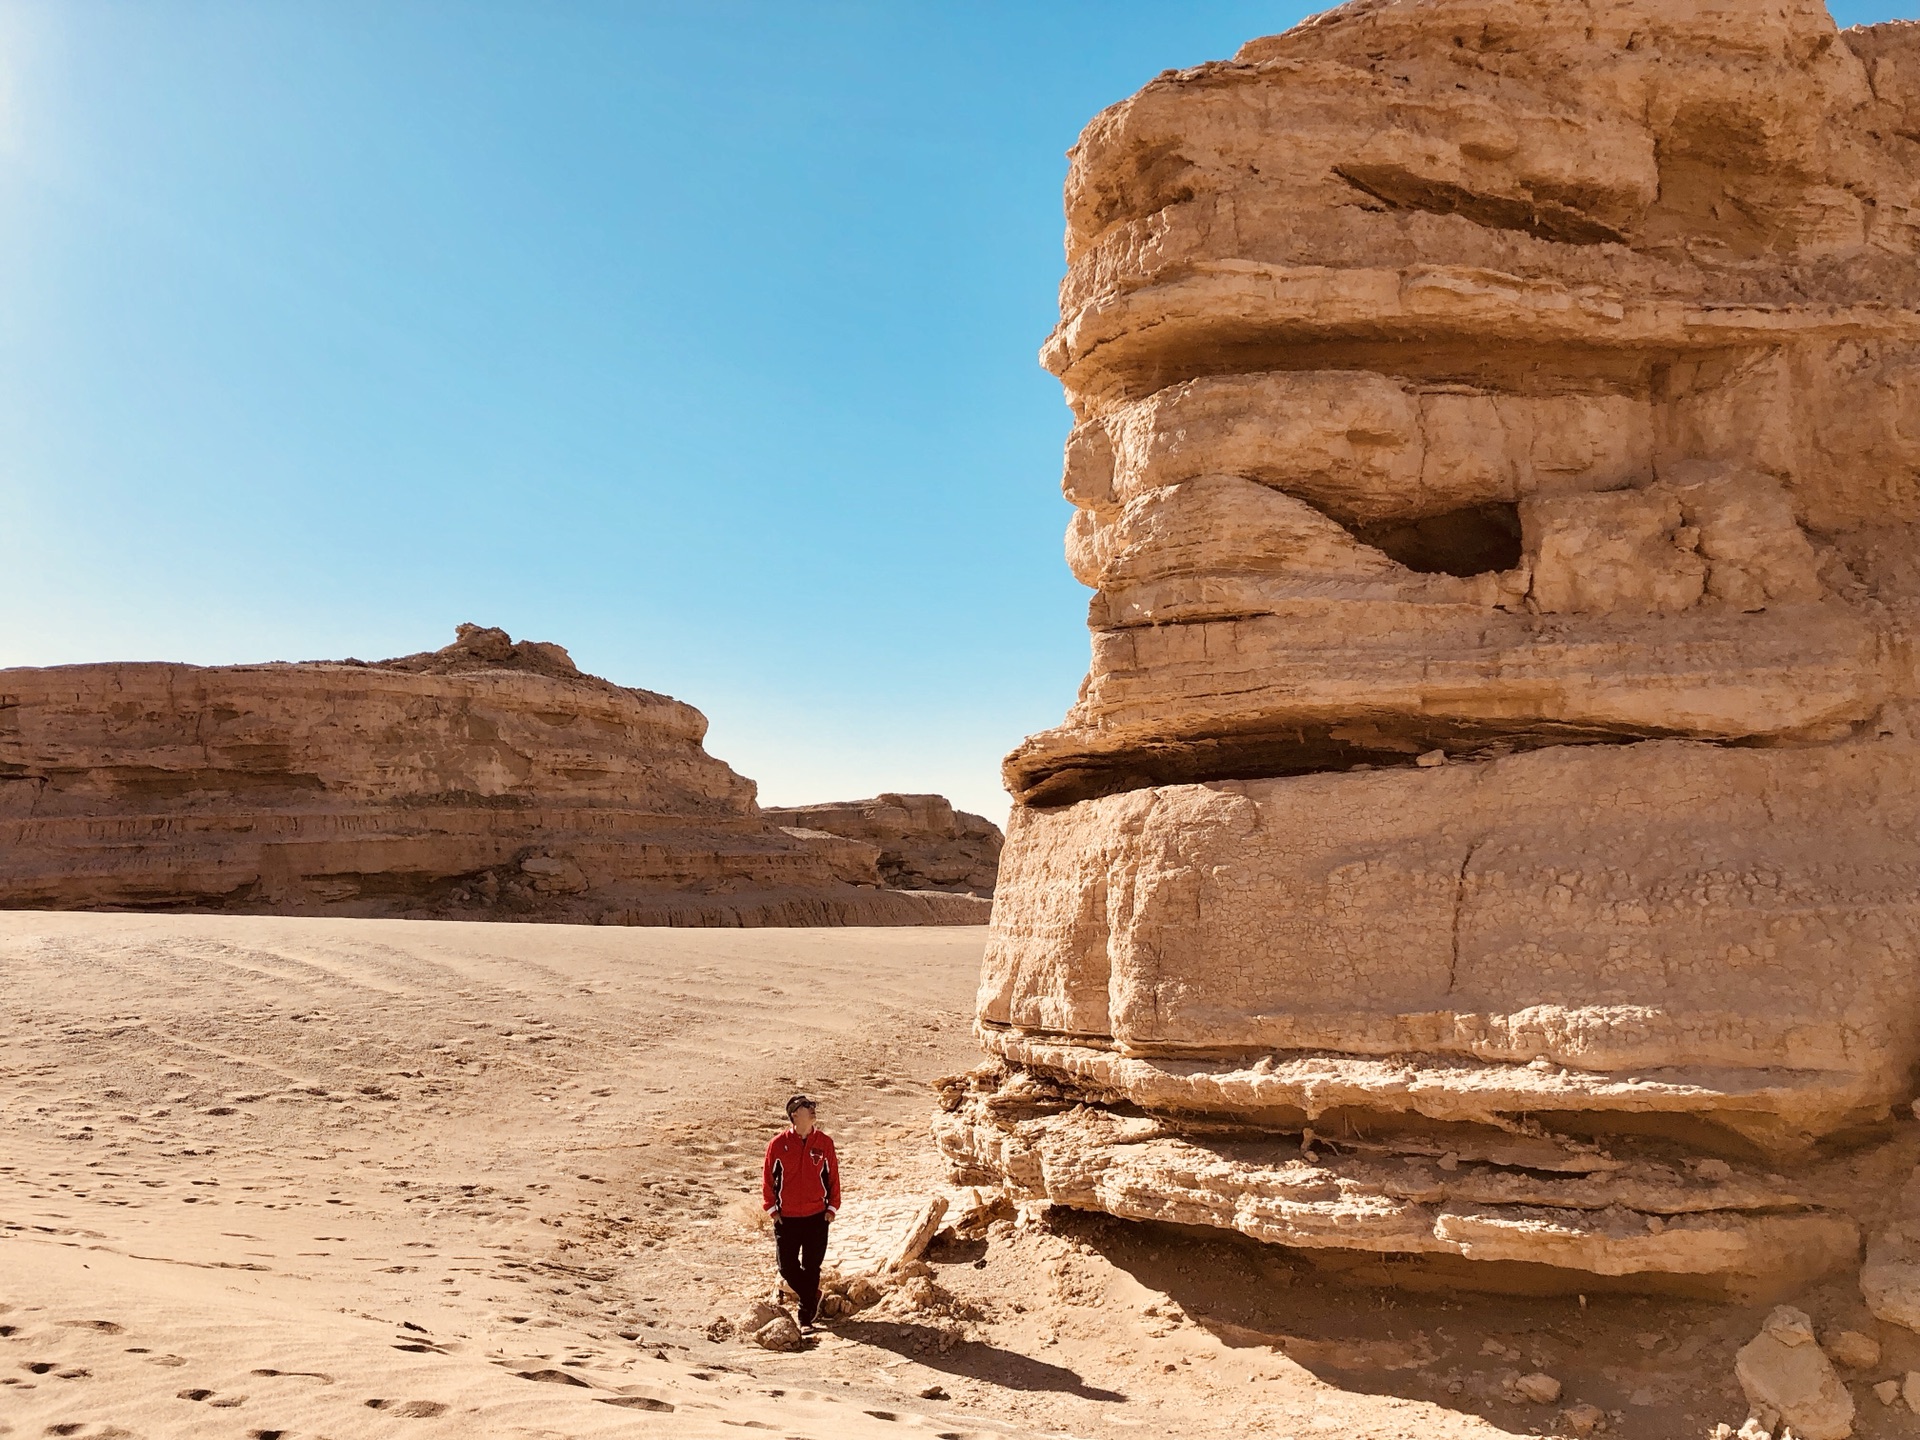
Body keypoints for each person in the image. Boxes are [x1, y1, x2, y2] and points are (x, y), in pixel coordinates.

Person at [761, 1094, 839, 1332]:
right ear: (794, 1114)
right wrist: (772, 1210)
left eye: (813, 1106)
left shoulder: (824, 1142)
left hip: (817, 1216)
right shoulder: (778, 1144)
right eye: (807, 1107)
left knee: (812, 1266)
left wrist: (832, 1208)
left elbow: (833, 1176)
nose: (813, 1110)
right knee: (786, 1267)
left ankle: (805, 1317)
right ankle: (812, 1294)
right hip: (788, 1218)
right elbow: (768, 1180)